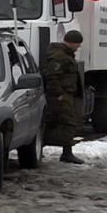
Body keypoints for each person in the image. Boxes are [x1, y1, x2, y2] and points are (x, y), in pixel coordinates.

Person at [43, 30, 85, 164]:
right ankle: (67, 153)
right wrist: (59, 95)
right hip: (60, 96)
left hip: (64, 95)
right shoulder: (59, 57)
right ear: (71, 42)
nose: (78, 47)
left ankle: (41, 148)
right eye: (77, 44)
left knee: (52, 122)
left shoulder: (65, 54)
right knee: (69, 123)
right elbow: (52, 77)